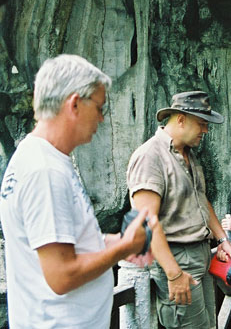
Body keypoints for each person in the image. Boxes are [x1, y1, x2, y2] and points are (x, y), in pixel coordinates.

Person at [0, 54, 149, 327]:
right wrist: (125, 247)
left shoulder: (38, 157)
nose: (102, 119)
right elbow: (62, 276)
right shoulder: (44, 171)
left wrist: (115, 242)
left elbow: (64, 243)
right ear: (75, 103)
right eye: (100, 107)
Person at [126, 91, 231, 329]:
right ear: (181, 119)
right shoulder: (150, 156)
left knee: (208, 325)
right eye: (202, 124)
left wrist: (222, 238)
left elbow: (201, 199)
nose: (205, 130)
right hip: (176, 259)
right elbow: (146, 222)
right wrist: (173, 274)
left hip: (200, 254)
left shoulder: (188, 155)